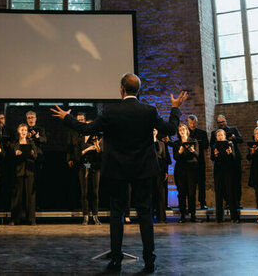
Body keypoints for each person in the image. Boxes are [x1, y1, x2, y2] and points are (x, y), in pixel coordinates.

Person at [51, 74, 187, 273]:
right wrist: (175, 108)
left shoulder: (110, 111)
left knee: (116, 214)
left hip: (117, 170)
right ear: (137, 90)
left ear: (122, 89)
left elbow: (86, 128)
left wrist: (67, 118)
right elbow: (171, 129)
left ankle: (116, 260)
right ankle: (149, 260)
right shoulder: (149, 111)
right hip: (143, 170)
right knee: (145, 214)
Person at [211, 115, 243, 209]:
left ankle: (237, 202)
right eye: (219, 122)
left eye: (223, 121)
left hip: (234, 160)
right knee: (224, 184)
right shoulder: (214, 133)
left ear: (226, 121)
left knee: (236, 181)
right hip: (221, 161)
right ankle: (227, 202)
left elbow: (241, 140)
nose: (221, 124)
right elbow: (212, 144)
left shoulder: (233, 129)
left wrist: (233, 138)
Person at [10, 123, 38, 225]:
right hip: (18, 171)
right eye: (22, 130)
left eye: (25, 130)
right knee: (17, 196)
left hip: (30, 171)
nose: (23, 132)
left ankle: (31, 219)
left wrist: (32, 154)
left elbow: (36, 157)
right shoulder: (15, 143)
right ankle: (15, 219)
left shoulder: (31, 142)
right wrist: (16, 154)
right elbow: (10, 158)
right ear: (18, 131)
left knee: (30, 196)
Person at [210, 129, 239, 223]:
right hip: (218, 171)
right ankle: (219, 217)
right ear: (216, 137)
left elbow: (234, 157)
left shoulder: (230, 144)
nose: (220, 137)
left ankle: (234, 217)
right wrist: (215, 155)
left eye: (221, 135)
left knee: (230, 192)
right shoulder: (214, 145)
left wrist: (230, 153)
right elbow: (212, 158)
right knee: (218, 194)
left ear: (225, 135)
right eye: (218, 135)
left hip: (228, 171)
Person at [173, 123, 199, 223]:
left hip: (192, 170)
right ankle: (183, 216)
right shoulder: (176, 143)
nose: (182, 131)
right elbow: (175, 157)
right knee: (181, 194)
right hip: (180, 170)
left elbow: (197, 155)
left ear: (187, 130)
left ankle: (193, 215)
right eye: (180, 130)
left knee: (192, 193)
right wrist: (180, 151)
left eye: (183, 129)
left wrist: (192, 150)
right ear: (178, 132)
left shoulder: (193, 141)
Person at [79, 132, 102, 225]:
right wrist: (88, 149)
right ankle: (85, 216)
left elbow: (101, 156)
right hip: (84, 166)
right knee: (84, 193)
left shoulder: (96, 139)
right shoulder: (79, 140)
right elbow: (78, 154)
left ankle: (95, 216)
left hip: (95, 168)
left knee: (95, 192)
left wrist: (97, 147)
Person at [187, 115, 208, 209]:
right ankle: (191, 204)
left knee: (201, 183)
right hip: (188, 162)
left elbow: (205, 147)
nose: (192, 124)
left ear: (197, 122)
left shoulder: (202, 133)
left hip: (200, 161)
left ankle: (202, 202)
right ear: (188, 123)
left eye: (194, 122)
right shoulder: (185, 133)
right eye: (191, 123)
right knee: (190, 184)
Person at [66, 113, 84, 214]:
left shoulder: (88, 131)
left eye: (82, 120)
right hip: (75, 161)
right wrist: (69, 159)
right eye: (78, 120)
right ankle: (73, 206)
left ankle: (84, 207)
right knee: (74, 183)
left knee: (86, 183)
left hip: (86, 163)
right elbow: (69, 147)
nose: (80, 122)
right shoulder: (72, 132)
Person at [153, 131, 172, 221]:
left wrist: (165, 171)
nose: (153, 131)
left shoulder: (161, 144)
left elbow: (164, 158)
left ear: (157, 132)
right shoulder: (146, 143)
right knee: (150, 193)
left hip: (160, 169)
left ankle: (161, 216)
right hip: (149, 169)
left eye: (155, 130)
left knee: (160, 192)